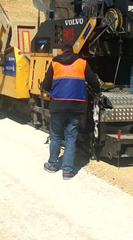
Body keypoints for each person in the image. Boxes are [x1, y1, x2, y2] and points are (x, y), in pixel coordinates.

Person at [41, 44, 100, 180]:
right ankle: (67, 171)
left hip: (58, 105)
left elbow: (46, 84)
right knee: (71, 138)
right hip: (76, 106)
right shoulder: (82, 63)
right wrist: (97, 91)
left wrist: (49, 89)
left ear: (62, 51)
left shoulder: (55, 63)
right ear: (73, 51)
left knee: (55, 136)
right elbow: (93, 82)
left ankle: (52, 165)